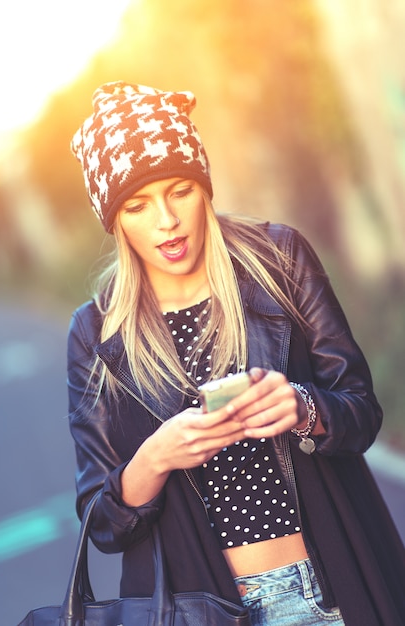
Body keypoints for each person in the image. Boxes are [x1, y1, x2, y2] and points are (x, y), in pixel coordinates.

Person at [68, 82, 405, 626]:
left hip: (332, 589)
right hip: (204, 610)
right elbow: (103, 522)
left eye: (179, 190)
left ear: (203, 186)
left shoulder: (280, 259)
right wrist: (157, 456)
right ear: (114, 217)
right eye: (137, 204)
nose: (166, 221)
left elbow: (362, 413)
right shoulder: (95, 332)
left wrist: (303, 408)